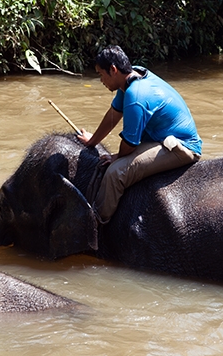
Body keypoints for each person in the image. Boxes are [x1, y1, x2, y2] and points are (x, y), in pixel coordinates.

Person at [78, 45, 202, 223]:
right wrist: (93, 141)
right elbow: (114, 114)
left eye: (101, 74)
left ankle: (96, 224)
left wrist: (116, 158)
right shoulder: (132, 76)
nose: (101, 80)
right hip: (160, 137)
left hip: (181, 146)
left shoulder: (135, 95)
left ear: (113, 70)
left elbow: (129, 144)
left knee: (115, 173)